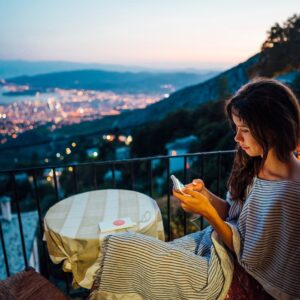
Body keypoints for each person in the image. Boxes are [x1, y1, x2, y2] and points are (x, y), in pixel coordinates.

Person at [90, 78, 300, 300]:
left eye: (245, 130)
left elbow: (250, 257)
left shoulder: (290, 194)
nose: (237, 138)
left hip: (231, 275)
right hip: (215, 245)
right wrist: (206, 196)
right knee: (126, 252)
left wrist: (206, 212)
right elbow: (235, 216)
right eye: (236, 128)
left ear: (272, 130)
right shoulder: (255, 162)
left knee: (126, 247)